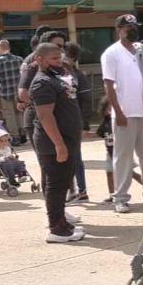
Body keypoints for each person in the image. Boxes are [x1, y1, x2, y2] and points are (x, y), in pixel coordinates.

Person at [101, 14, 143, 213]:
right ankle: (121, 198)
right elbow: (108, 85)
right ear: (119, 30)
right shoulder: (111, 53)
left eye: (135, 27)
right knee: (123, 157)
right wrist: (118, 112)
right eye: (129, 28)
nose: (133, 30)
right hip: (124, 113)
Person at [30, 43, 85, 243]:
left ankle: (62, 223)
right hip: (53, 142)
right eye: (53, 59)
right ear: (39, 59)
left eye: (59, 57)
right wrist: (59, 145)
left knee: (63, 184)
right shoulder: (42, 82)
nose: (58, 62)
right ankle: (56, 229)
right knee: (56, 185)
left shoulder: (58, 77)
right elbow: (45, 116)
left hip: (68, 139)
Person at [64, 42, 90, 202]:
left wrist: (85, 124)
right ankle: (70, 189)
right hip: (60, 122)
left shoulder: (79, 76)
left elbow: (86, 101)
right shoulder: (54, 75)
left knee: (75, 157)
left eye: (66, 55)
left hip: (74, 122)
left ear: (73, 59)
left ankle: (82, 190)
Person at [0, 39, 25, 145]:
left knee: (9, 115)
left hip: (5, 92)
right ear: (9, 47)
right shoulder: (19, 59)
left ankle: (15, 137)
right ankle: (23, 133)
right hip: (18, 92)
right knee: (19, 113)